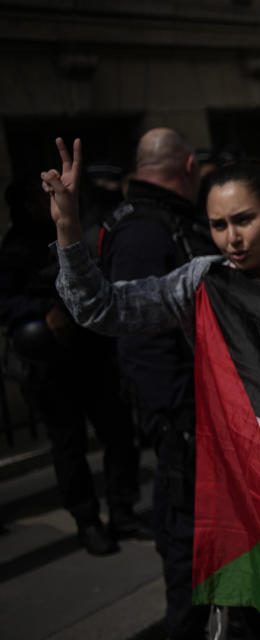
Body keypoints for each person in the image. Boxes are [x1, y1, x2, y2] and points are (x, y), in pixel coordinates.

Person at [42, 140, 260, 639]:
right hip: (230, 502)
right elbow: (101, 309)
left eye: (243, 220)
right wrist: (67, 230)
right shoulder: (202, 283)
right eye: (218, 225)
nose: (231, 238)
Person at [98, 127, 218, 638]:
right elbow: (142, 343)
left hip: (195, 421)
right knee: (190, 568)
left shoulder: (164, 222)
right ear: (189, 167)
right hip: (184, 431)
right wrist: (182, 421)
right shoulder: (146, 231)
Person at [0, 177, 140, 556]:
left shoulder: (70, 232)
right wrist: (42, 314)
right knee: (68, 444)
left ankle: (122, 510)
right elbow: (6, 304)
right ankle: (87, 520)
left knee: (118, 432)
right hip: (52, 364)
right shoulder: (15, 251)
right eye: (36, 200)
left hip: (92, 352)